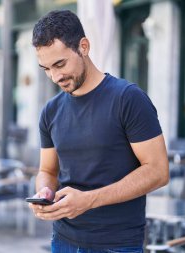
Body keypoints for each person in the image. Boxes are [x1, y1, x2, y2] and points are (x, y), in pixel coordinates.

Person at [28, 10, 169, 253]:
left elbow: (158, 172)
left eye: (60, 64)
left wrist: (88, 200)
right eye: (46, 69)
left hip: (116, 244)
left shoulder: (128, 99)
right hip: (62, 240)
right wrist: (45, 191)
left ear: (83, 46)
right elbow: (47, 170)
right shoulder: (50, 111)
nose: (55, 76)